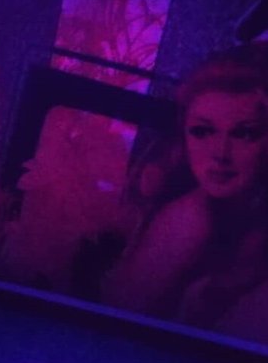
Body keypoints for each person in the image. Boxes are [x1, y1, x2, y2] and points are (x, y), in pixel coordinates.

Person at [103, 42, 268, 328]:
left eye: (244, 134)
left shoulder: (250, 220)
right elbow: (108, 328)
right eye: (202, 131)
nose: (221, 153)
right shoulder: (189, 219)